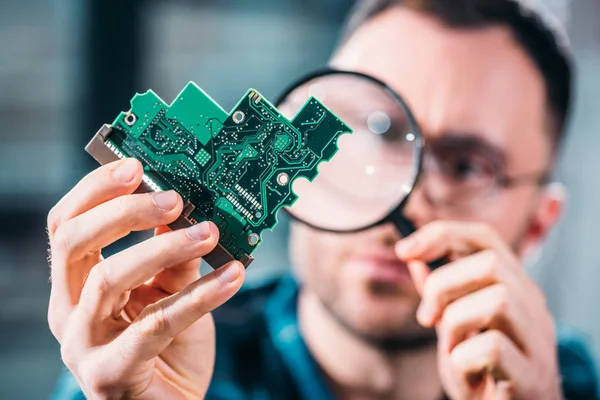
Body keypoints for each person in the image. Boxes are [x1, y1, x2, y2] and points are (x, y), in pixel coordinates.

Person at [49, 0, 599, 399]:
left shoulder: (566, 385)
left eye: (465, 166)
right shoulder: (140, 358)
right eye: (369, 132)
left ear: (536, 228)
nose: (408, 204)